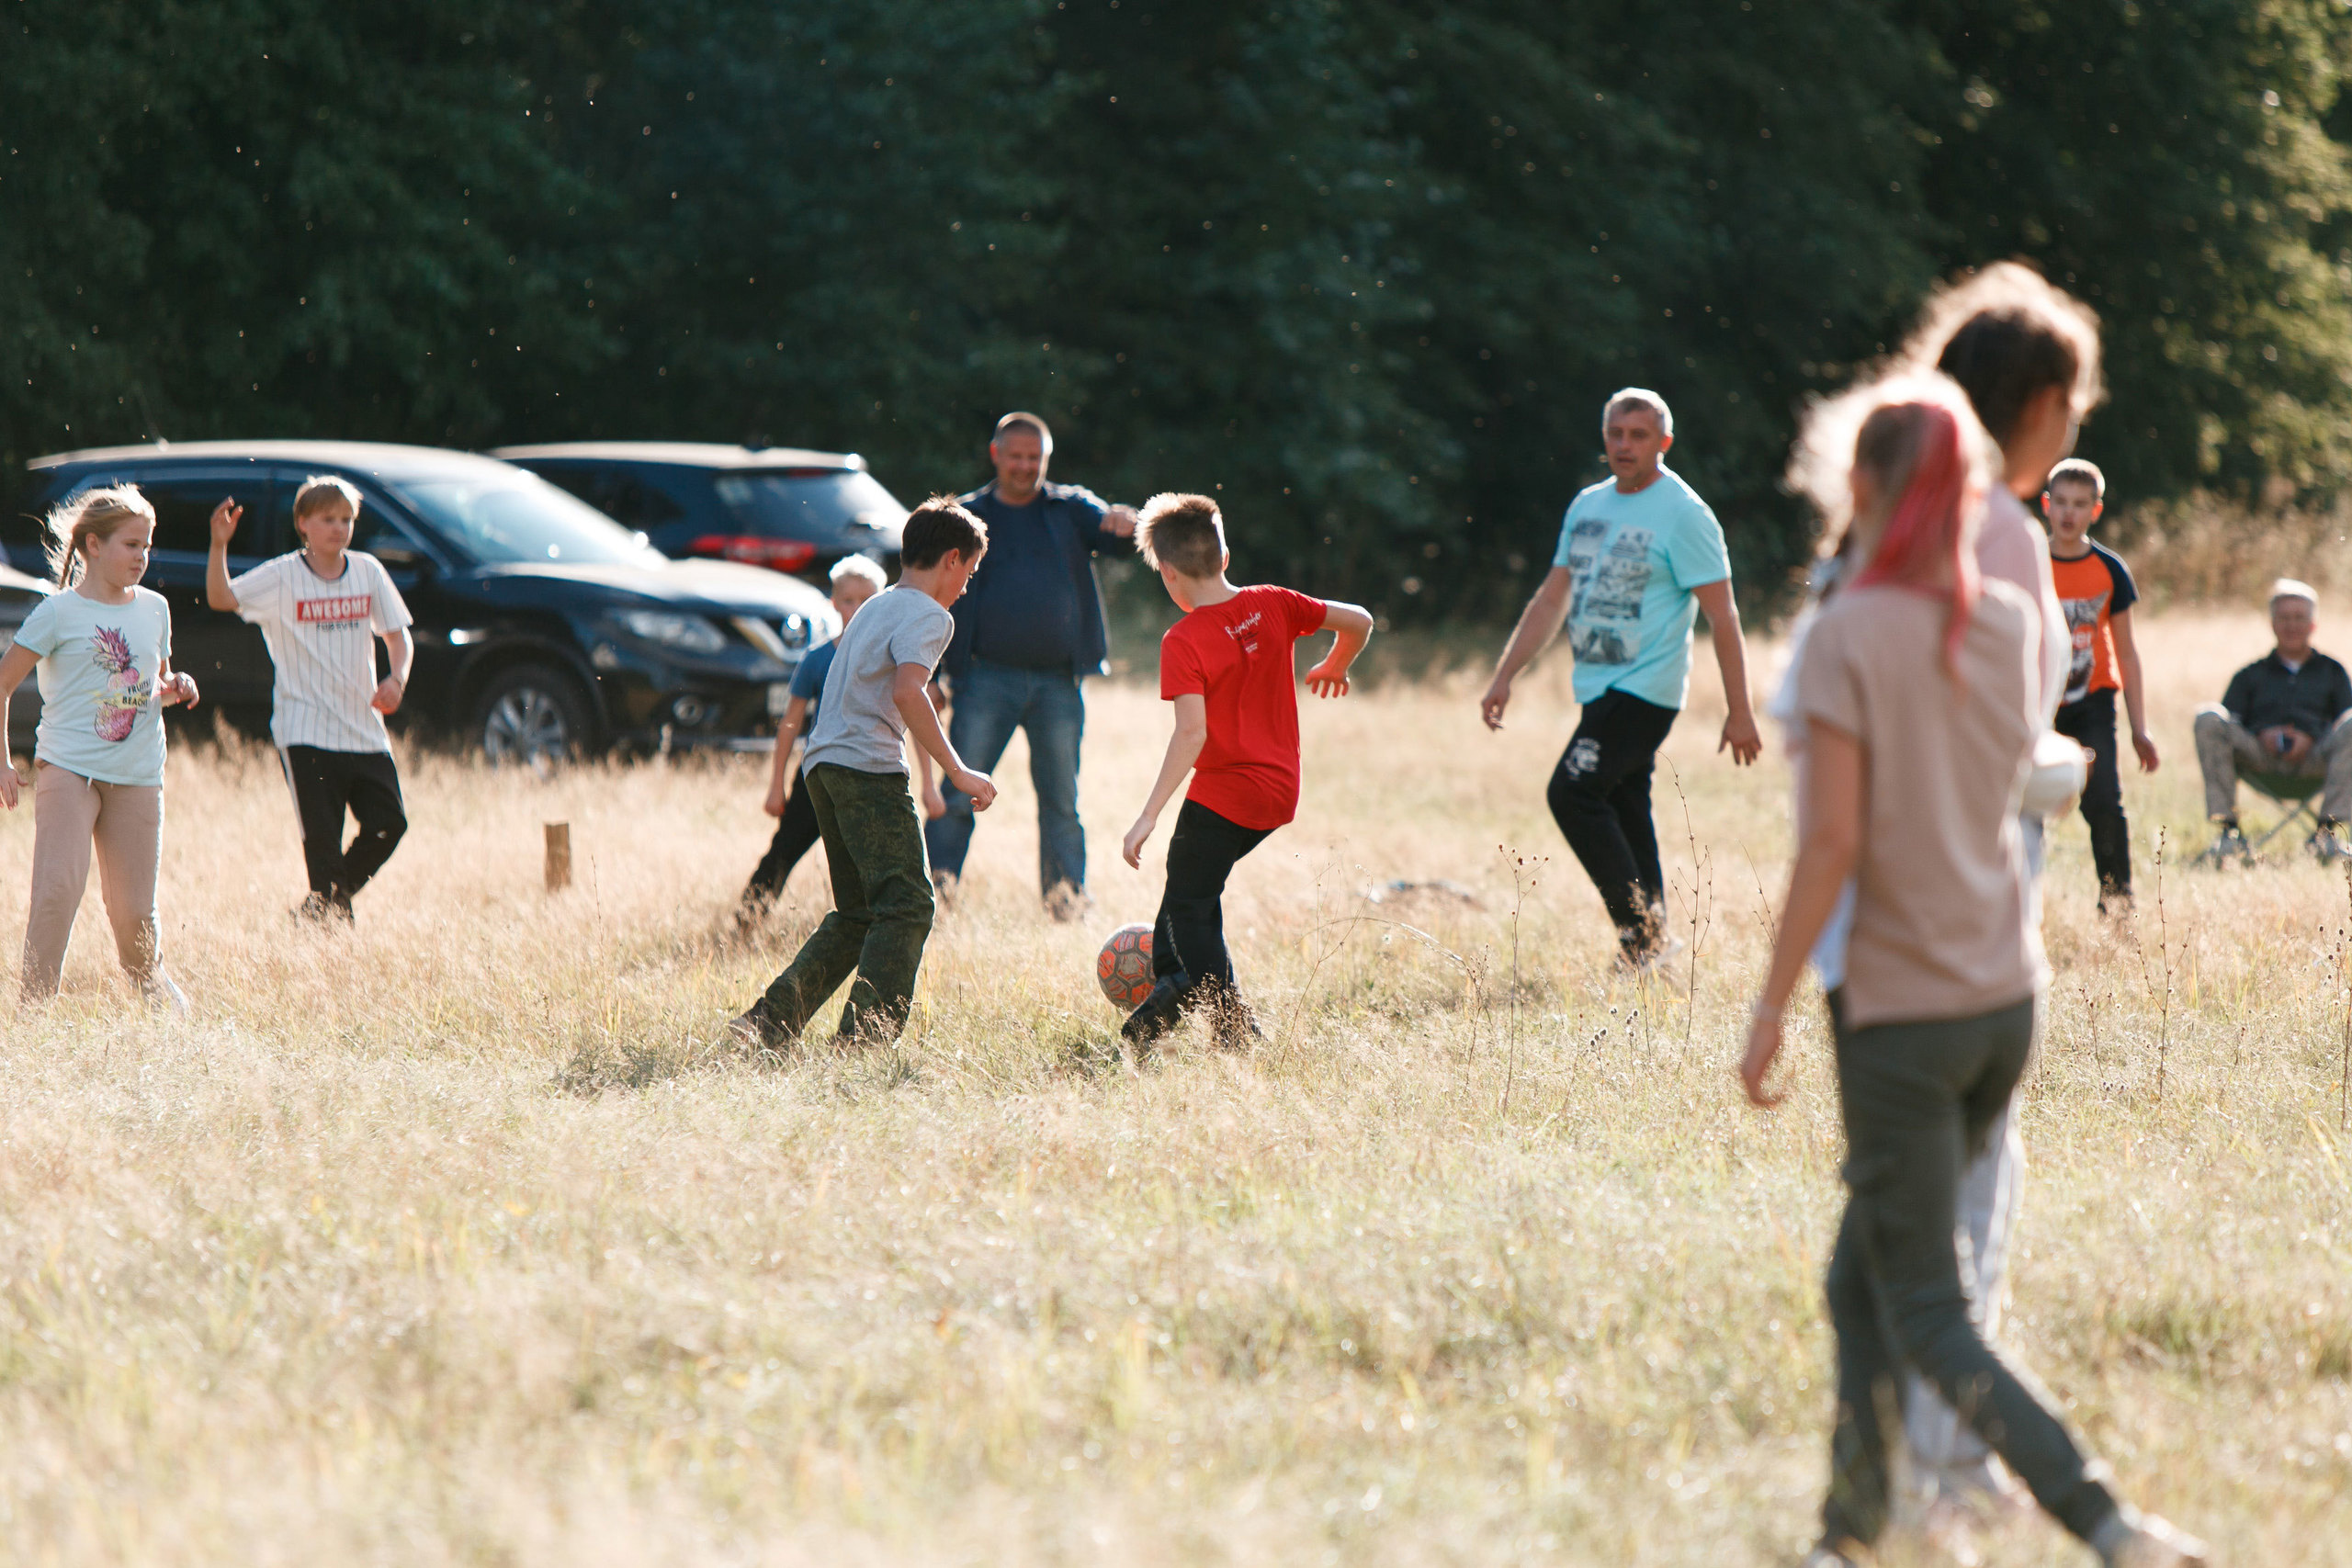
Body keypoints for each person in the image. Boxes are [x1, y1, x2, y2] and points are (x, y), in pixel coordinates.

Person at [1742, 376, 2207, 1568]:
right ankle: (1848, 1535)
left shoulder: (1843, 629)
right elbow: (2033, 777)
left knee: (1930, 1307)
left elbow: (1831, 841)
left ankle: (2109, 1522)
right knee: (1862, 1278)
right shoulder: (2009, 615)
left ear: (1861, 485)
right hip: (2007, 992)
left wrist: (1770, 1003)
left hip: (1903, 1003)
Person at [1894, 260, 2104, 1507]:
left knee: (1927, 1179)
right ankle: (1948, 1461)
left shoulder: (1892, 508)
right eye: (2070, 401)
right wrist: (2057, 764)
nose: (2077, 427)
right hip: (1969, 887)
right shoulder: (1998, 532)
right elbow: (1996, 730)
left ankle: (1916, 1454)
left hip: (1893, 893)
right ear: (2028, 399)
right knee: (1973, 1182)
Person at [1478, 389, 1761, 967]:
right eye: (1616, 434)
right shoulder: (1587, 506)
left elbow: (1723, 616)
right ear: (1604, 437)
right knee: (1625, 803)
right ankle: (1653, 940)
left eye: (1639, 435)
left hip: (1647, 689)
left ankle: (1641, 936)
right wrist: (1506, 673)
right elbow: (1553, 597)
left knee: (1574, 791)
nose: (1625, 445)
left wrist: (1741, 709)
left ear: (1665, 442)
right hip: (1597, 686)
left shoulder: (1684, 514)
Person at [730, 499, 998, 1050]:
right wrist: (958, 770)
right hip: (869, 770)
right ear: (952, 559)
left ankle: (765, 1024)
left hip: (823, 767)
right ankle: (864, 1042)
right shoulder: (930, 615)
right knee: (907, 905)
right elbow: (909, 692)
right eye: (969, 572)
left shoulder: (876, 606)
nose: (967, 587)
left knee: (859, 913)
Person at [1117, 493, 1372, 1048]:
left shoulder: (1182, 640)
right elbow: (1359, 619)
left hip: (1225, 793)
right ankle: (1171, 989)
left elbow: (1191, 733)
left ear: (1166, 572)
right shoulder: (1273, 602)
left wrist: (1147, 816)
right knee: (1191, 891)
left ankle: (1233, 1030)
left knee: (1190, 906)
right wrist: (1336, 662)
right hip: (1277, 793)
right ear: (1225, 555)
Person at [925, 412, 1137, 919]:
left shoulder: (1070, 508)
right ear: (996, 454)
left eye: (1034, 458)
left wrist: (1126, 522)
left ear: (1047, 459)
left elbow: (1117, 537)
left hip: (1058, 685)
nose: (1024, 466)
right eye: (1015, 456)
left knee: (1061, 802)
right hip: (982, 680)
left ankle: (1066, 903)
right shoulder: (967, 516)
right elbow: (931, 592)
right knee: (957, 796)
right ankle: (930, 897)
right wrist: (934, 674)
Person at [0, 486, 199, 1009]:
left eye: (147, 546)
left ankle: (155, 998)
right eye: (131, 545)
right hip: (69, 767)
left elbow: (148, 684)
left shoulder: (155, 608)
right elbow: (1, 684)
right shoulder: (57, 613)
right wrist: (1, 760)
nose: (143, 556)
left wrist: (177, 686)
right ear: (92, 544)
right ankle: (35, 1010)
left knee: (134, 911)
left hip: (138, 772)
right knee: (58, 890)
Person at [206, 475, 416, 922]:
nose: (339, 528)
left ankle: (317, 911)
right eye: (328, 519)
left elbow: (398, 638)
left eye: (346, 519)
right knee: (323, 846)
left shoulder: (367, 571)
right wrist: (219, 544)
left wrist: (395, 679)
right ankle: (329, 921)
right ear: (303, 523)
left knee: (389, 824)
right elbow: (222, 598)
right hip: (305, 731)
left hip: (363, 728)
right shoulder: (283, 576)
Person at [734, 555, 891, 925]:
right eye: (848, 600)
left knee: (870, 857)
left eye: (867, 600)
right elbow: (790, 724)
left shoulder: (889, 659)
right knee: (784, 849)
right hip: (816, 774)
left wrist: (929, 786)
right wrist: (776, 787)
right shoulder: (817, 659)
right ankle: (747, 920)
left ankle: (874, 926)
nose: (856, 608)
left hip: (868, 773)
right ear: (834, 603)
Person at [2043, 458, 2155, 909]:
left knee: (2104, 804)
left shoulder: (2110, 569)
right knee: (2019, 809)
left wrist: (2139, 728)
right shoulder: (2028, 563)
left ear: (2096, 509)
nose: (2069, 514)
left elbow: (2127, 652)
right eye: (2062, 503)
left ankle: (2117, 906)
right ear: (2047, 505)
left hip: (2093, 701)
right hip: (2036, 705)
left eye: (2081, 504)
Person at [2194, 578, 2352, 861]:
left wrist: (2312, 736)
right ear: (2272, 623)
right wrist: (2261, 734)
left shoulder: (2333, 672)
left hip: (2315, 762)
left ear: (2313, 624)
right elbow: (2230, 723)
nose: (2292, 625)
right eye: (2284, 618)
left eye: (2299, 618)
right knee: (2208, 717)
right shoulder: (2250, 675)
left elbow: (2344, 723)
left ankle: (2327, 834)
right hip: (2261, 760)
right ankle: (2228, 833)